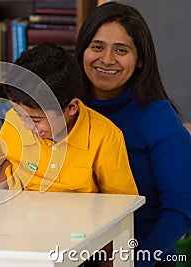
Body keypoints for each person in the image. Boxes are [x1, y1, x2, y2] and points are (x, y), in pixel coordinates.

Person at [75, 2, 191, 266]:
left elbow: (180, 210)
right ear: (82, 50)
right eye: (97, 46)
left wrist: (134, 261)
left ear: (140, 60)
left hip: (142, 255)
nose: (106, 59)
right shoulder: (66, 109)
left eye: (121, 50)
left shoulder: (159, 118)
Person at [0, 42, 138, 196]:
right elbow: (8, 162)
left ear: (71, 107)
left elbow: (122, 203)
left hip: (80, 218)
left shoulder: (106, 137)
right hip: (21, 216)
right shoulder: (14, 120)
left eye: (36, 119)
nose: (26, 126)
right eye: (19, 113)